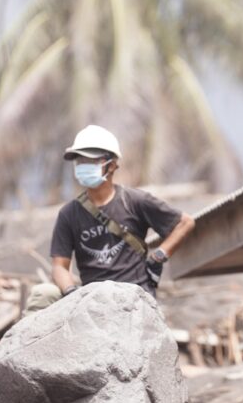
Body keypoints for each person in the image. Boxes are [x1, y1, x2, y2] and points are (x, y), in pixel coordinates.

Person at [25, 125, 196, 314]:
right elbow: (60, 266)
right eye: (80, 160)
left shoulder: (135, 201)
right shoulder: (69, 213)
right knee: (43, 293)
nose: (84, 165)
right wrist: (72, 293)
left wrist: (158, 257)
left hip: (134, 299)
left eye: (91, 159)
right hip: (92, 302)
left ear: (112, 165)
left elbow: (185, 223)